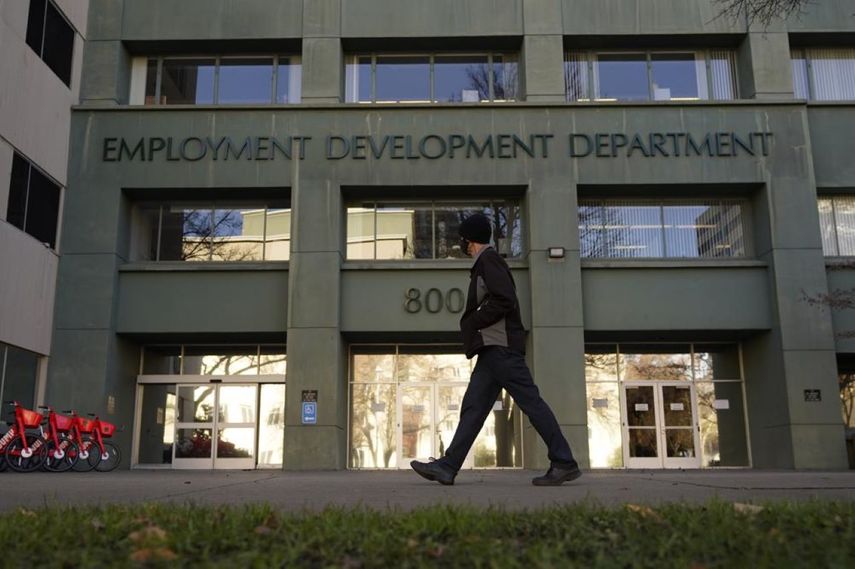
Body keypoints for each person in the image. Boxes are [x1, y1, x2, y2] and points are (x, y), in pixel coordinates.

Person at [410, 213, 582, 486]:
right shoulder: (485, 263)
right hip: (493, 350)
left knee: (530, 402)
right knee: (474, 407)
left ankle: (564, 461)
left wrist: (475, 321)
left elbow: (505, 300)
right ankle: (448, 466)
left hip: (501, 348)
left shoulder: (489, 260)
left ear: (470, 240)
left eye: (463, 240)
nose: (462, 244)